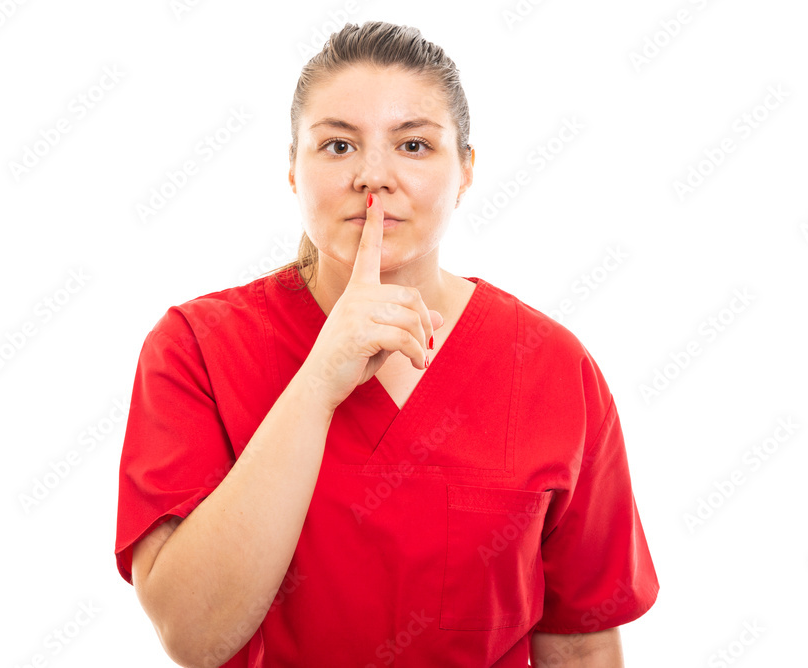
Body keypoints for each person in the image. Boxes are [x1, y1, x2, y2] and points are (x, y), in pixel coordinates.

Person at [114, 20, 659, 668]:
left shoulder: (554, 370)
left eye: (415, 145)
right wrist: (319, 382)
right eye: (339, 145)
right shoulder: (195, 350)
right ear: (293, 168)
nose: (374, 176)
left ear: (466, 171)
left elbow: (581, 645)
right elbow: (193, 636)